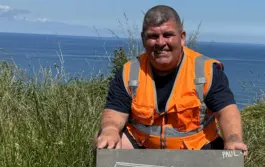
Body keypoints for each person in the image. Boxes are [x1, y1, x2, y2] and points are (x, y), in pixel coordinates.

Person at [94, 5, 247, 155]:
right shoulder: (129, 73)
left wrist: (233, 139)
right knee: (105, 141)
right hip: (143, 148)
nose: (161, 43)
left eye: (168, 35)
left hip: (196, 150)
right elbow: (115, 113)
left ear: (182, 38)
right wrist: (110, 130)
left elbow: (226, 110)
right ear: (143, 38)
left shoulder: (207, 71)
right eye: (153, 36)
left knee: (229, 154)